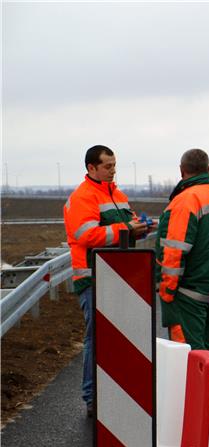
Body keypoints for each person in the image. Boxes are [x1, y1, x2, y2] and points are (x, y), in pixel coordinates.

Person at [64, 145, 149, 417]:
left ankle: (115, 392)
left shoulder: (118, 195)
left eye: (114, 165)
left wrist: (140, 228)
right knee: (97, 338)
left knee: (118, 339)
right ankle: (92, 397)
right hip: (93, 278)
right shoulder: (83, 197)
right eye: (108, 166)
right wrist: (126, 228)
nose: (113, 170)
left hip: (119, 278)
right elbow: (87, 236)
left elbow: (127, 229)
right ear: (92, 168)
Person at [156, 149, 209, 352]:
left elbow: (174, 251)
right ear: (208, 169)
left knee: (186, 358)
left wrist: (167, 291)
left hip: (186, 293)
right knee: (207, 355)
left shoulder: (184, 201)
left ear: (182, 171)